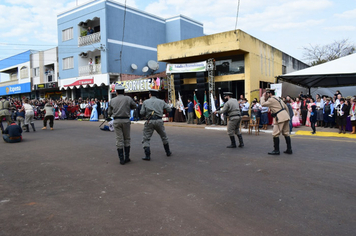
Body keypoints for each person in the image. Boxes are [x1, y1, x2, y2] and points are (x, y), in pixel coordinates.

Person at [108, 85, 137, 165]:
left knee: (119, 139)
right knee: (127, 139)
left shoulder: (112, 100)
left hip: (117, 120)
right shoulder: (128, 98)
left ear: (116, 92)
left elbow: (109, 113)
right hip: (126, 120)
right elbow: (135, 106)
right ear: (123, 92)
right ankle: (127, 157)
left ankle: (121, 159)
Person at [140, 89, 172, 161]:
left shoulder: (145, 102)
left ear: (150, 94)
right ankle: (168, 152)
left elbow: (142, 112)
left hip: (150, 121)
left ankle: (147, 155)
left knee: (146, 138)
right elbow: (169, 109)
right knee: (164, 136)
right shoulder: (161, 101)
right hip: (159, 120)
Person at [260, 88, 292, 155]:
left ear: (269, 94)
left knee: (275, 134)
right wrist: (287, 116)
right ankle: (289, 149)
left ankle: (276, 150)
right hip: (285, 116)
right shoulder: (279, 99)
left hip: (279, 118)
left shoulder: (271, 99)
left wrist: (262, 97)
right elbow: (286, 107)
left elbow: (262, 104)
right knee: (286, 133)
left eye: (267, 94)